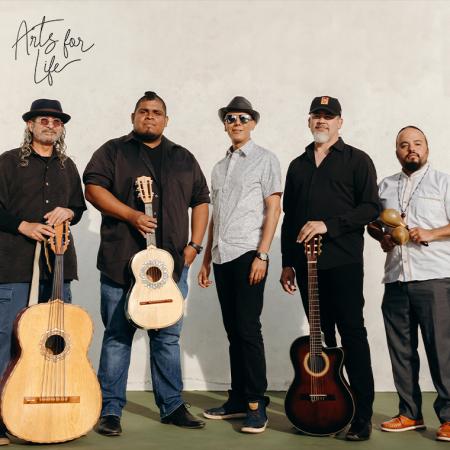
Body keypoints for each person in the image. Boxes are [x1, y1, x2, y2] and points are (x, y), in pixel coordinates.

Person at [83, 91, 210, 435]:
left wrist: (194, 246)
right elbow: (92, 188)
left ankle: (171, 406)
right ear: (133, 117)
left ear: (166, 120)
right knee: (117, 337)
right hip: (120, 265)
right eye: (143, 112)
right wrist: (131, 214)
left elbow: (201, 201)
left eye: (156, 112)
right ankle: (110, 410)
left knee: (167, 338)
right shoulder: (112, 151)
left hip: (171, 269)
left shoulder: (183, 157)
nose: (149, 117)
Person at [279, 96, 380, 441]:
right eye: (316, 116)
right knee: (322, 341)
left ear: (340, 122)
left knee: (352, 335)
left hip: (344, 263)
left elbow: (370, 208)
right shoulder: (297, 164)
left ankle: (362, 415)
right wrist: (286, 263)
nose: (322, 121)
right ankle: (329, 407)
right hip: (306, 266)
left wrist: (329, 225)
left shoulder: (357, 160)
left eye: (328, 116)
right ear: (309, 121)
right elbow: (289, 217)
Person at [0, 99, 86, 446]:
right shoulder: (7, 162)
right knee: (8, 340)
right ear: (31, 125)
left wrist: (68, 209)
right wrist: (23, 225)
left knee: (56, 340)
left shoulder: (68, 166)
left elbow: (78, 207)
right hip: (15, 265)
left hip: (58, 264)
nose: (50, 125)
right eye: (43, 120)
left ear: (61, 128)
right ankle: (2, 418)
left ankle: (48, 412)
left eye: (55, 120)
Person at [198, 96, 282, 433]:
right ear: (225, 124)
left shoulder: (266, 160)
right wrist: (205, 259)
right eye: (231, 118)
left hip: (249, 253)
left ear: (253, 123)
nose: (236, 122)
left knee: (248, 329)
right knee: (233, 330)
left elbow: (273, 210)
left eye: (243, 118)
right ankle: (237, 399)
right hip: (221, 255)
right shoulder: (219, 167)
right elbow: (216, 215)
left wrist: (263, 254)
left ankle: (255, 403)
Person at [372, 126, 450, 442]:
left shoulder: (443, 182)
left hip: (434, 278)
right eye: (404, 145)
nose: (411, 149)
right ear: (397, 151)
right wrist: (384, 237)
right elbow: (374, 224)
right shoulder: (385, 186)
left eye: (417, 143)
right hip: (396, 279)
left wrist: (432, 233)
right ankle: (409, 413)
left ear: (427, 148)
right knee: (401, 351)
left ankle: (448, 418)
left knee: (442, 350)